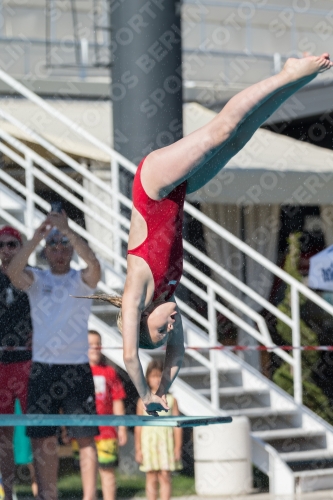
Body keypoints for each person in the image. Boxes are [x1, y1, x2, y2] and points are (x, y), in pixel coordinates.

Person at [85, 54, 333, 416]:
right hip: (179, 190)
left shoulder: (137, 289)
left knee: (221, 130)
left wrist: (145, 394)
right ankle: (295, 81)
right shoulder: (167, 297)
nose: (171, 327)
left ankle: (286, 74)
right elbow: (178, 353)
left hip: (153, 186)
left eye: (160, 331)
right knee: (238, 140)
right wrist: (165, 390)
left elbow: (128, 355)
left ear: (142, 319)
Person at [7, 211, 101, 500]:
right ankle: (48, 496)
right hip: (43, 369)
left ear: (71, 249)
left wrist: (68, 231)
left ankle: (89, 497)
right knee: (42, 439)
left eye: (64, 246)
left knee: (85, 438)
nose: (59, 251)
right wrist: (38, 236)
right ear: (46, 251)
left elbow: (95, 266)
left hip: (76, 368)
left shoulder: (82, 279)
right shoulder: (37, 279)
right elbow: (12, 271)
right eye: (54, 246)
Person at [72, 330, 127, 500]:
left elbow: (118, 400)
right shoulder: (75, 373)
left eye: (98, 344)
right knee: (88, 471)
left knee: (107, 471)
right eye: (90, 344)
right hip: (83, 431)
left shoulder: (109, 372)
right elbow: (71, 404)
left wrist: (122, 427)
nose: (95, 348)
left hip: (107, 431)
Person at [0, 225, 33, 500]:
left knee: (38, 430)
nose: (6, 250)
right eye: (2, 245)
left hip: (29, 362)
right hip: (1, 364)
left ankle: (43, 492)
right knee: (3, 435)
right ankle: (7, 494)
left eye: (12, 244)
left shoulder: (34, 278)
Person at [135, 360, 182, 500]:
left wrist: (178, 447)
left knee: (165, 476)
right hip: (148, 444)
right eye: (153, 376)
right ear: (147, 378)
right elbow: (139, 426)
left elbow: (177, 426)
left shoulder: (171, 400)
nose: (156, 380)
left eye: (159, 376)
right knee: (151, 476)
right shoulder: (142, 401)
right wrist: (138, 448)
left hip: (166, 444)